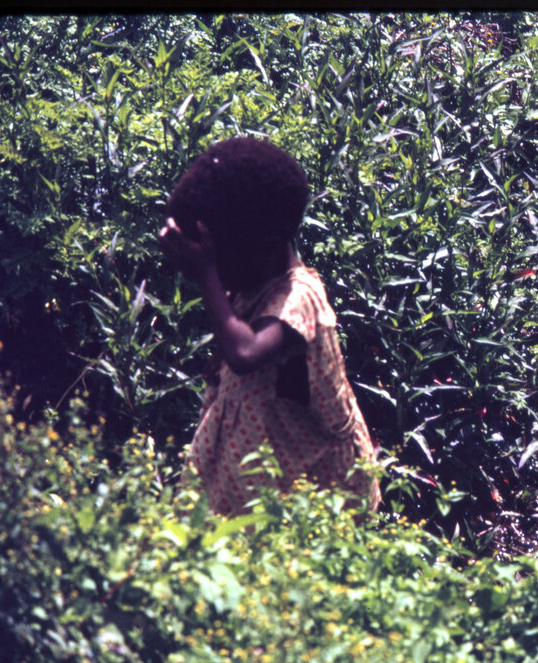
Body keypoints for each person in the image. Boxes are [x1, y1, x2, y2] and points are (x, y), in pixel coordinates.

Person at [159, 136, 380, 515]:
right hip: (261, 468)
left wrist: (206, 272)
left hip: (315, 486)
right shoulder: (252, 287)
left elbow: (245, 353)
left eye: (220, 259)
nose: (219, 277)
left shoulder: (301, 298)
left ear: (263, 248)